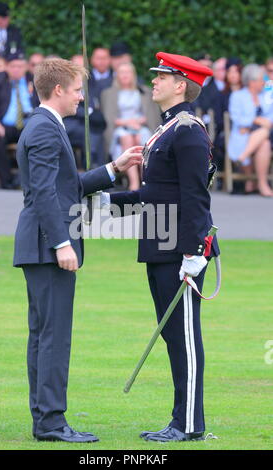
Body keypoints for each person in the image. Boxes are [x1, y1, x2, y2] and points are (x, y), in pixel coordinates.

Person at [13, 57, 143, 443]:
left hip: (40, 245)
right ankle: (51, 422)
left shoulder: (45, 126)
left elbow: (67, 186)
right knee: (52, 337)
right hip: (45, 246)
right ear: (58, 91)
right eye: (76, 90)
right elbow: (43, 193)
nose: (81, 97)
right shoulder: (43, 129)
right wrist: (62, 243)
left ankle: (45, 420)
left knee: (43, 335)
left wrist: (113, 167)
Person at [104, 52, 220, 442]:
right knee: (173, 336)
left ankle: (189, 424)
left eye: (162, 76)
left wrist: (193, 253)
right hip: (161, 246)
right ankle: (180, 419)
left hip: (178, 251)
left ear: (181, 84)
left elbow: (194, 197)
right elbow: (158, 194)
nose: (154, 81)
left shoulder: (186, 129)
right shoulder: (169, 127)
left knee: (184, 338)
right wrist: (108, 203)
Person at [100, 61, 160, 190]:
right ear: (117, 75)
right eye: (122, 72)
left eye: (128, 72)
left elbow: (150, 115)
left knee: (139, 139)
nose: (125, 75)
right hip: (119, 128)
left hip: (140, 127)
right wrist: (128, 122)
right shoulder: (108, 93)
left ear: (133, 74)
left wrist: (137, 122)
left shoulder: (144, 92)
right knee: (126, 137)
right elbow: (109, 118)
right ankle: (134, 183)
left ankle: (145, 180)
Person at [0, 51, 35, 189]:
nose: (16, 69)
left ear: (25, 67)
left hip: (29, 125)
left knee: (40, 139)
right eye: (13, 66)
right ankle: (7, 181)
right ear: (7, 67)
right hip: (5, 125)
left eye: (20, 66)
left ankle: (26, 180)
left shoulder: (35, 79)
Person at [228, 63, 273, 196]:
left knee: (264, 136)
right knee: (264, 140)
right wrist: (255, 120)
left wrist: (262, 122)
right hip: (243, 134)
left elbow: (271, 116)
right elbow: (236, 119)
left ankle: (242, 158)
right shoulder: (237, 96)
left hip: (259, 132)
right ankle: (262, 184)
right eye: (261, 80)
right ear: (252, 82)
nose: (264, 82)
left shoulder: (266, 96)